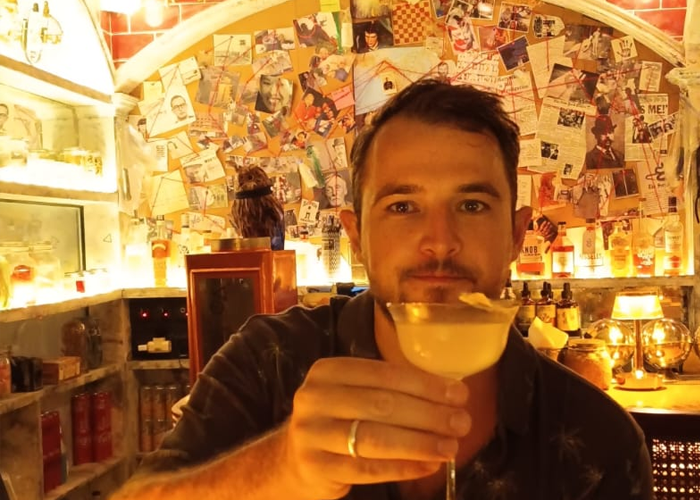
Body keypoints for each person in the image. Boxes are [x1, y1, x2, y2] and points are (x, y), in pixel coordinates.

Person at [112, 81, 653, 500]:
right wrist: (280, 467)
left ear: (515, 236)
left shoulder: (599, 439)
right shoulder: (267, 362)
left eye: (471, 205)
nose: (438, 241)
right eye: (402, 206)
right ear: (356, 237)